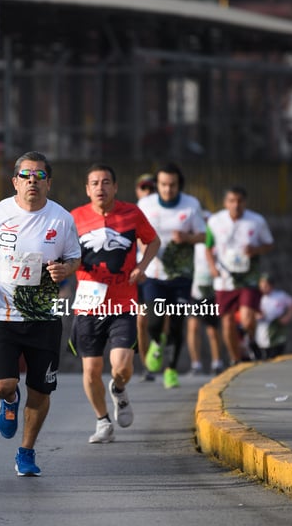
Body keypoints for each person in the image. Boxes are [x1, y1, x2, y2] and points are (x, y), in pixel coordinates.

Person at [0, 151, 80, 476]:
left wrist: (64, 270)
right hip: (1, 312)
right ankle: (9, 399)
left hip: (43, 317)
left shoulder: (62, 219)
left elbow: (74, 258)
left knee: (41, 390)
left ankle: (26, 452)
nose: (33, 181)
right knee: (2, 384)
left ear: (48, 182)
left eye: (40, 176)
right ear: (15, 181)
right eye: (26, 175)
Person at [70, 164, 159, 444]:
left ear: (115, 187)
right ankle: (102, 421)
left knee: (120, 367)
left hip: (123, 302)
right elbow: (63, 252)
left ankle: (119, 389)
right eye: (94, 183)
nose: (100, 187)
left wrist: (142, 266)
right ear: (87, 189)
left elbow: (153, 241)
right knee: (91, 369)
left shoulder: (132, 213)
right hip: (87, 303)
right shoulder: (74, 218)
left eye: (106, 182)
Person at [137, 163, 206, 389]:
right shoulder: (145, 204)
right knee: (154, 321)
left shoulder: (191, 205)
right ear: (157, 185)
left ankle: (171, 369)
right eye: (163, 185)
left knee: (176, 324)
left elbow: (204, 236)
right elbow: (137, 233)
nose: (168, 190)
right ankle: (157, 341)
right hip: (154, 273)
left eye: (172, 185)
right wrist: (144, 249)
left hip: (182, 275)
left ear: (179, 185)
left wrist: (186, 238)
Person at [205, 186, 274, 364]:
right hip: (225, 279)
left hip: (248, 277)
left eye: (239, 201)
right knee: (227, 322)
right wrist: (212, 267)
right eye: (231, 201)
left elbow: (269, 244)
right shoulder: (215, 221)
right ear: (225, 203)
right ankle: (236, 358)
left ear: (245, 202)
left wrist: (256, 249)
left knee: (247, 318)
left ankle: (250, 338)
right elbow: (208, 246)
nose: (236, 205)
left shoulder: (257, 221)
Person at [186, 211, 225, 375]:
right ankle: (196, 364)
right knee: (193, 326)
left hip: (213, 287)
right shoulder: (192, 241)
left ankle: (217, 363)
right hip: (195, 289)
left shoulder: (216, 241)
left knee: (212, 329)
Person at [133, 172, 156, 380]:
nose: (148, 192)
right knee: (141, 321)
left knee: (162, 321)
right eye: (144, 188)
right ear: (138, 191)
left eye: (152, 188)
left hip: (163, 276)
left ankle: (163, 358)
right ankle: (146, 366)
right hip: (141, 276)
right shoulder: (130, 214)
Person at [252, 273, 292, 359]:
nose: (263, 288)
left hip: (276, 327)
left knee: (276, 352)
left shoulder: (280, 295)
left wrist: (287, 317)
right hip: (262, 327)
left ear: (271, 285)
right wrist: (256, 315)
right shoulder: (257, 297)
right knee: (264, 352)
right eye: (261, 286)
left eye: (265, 285)